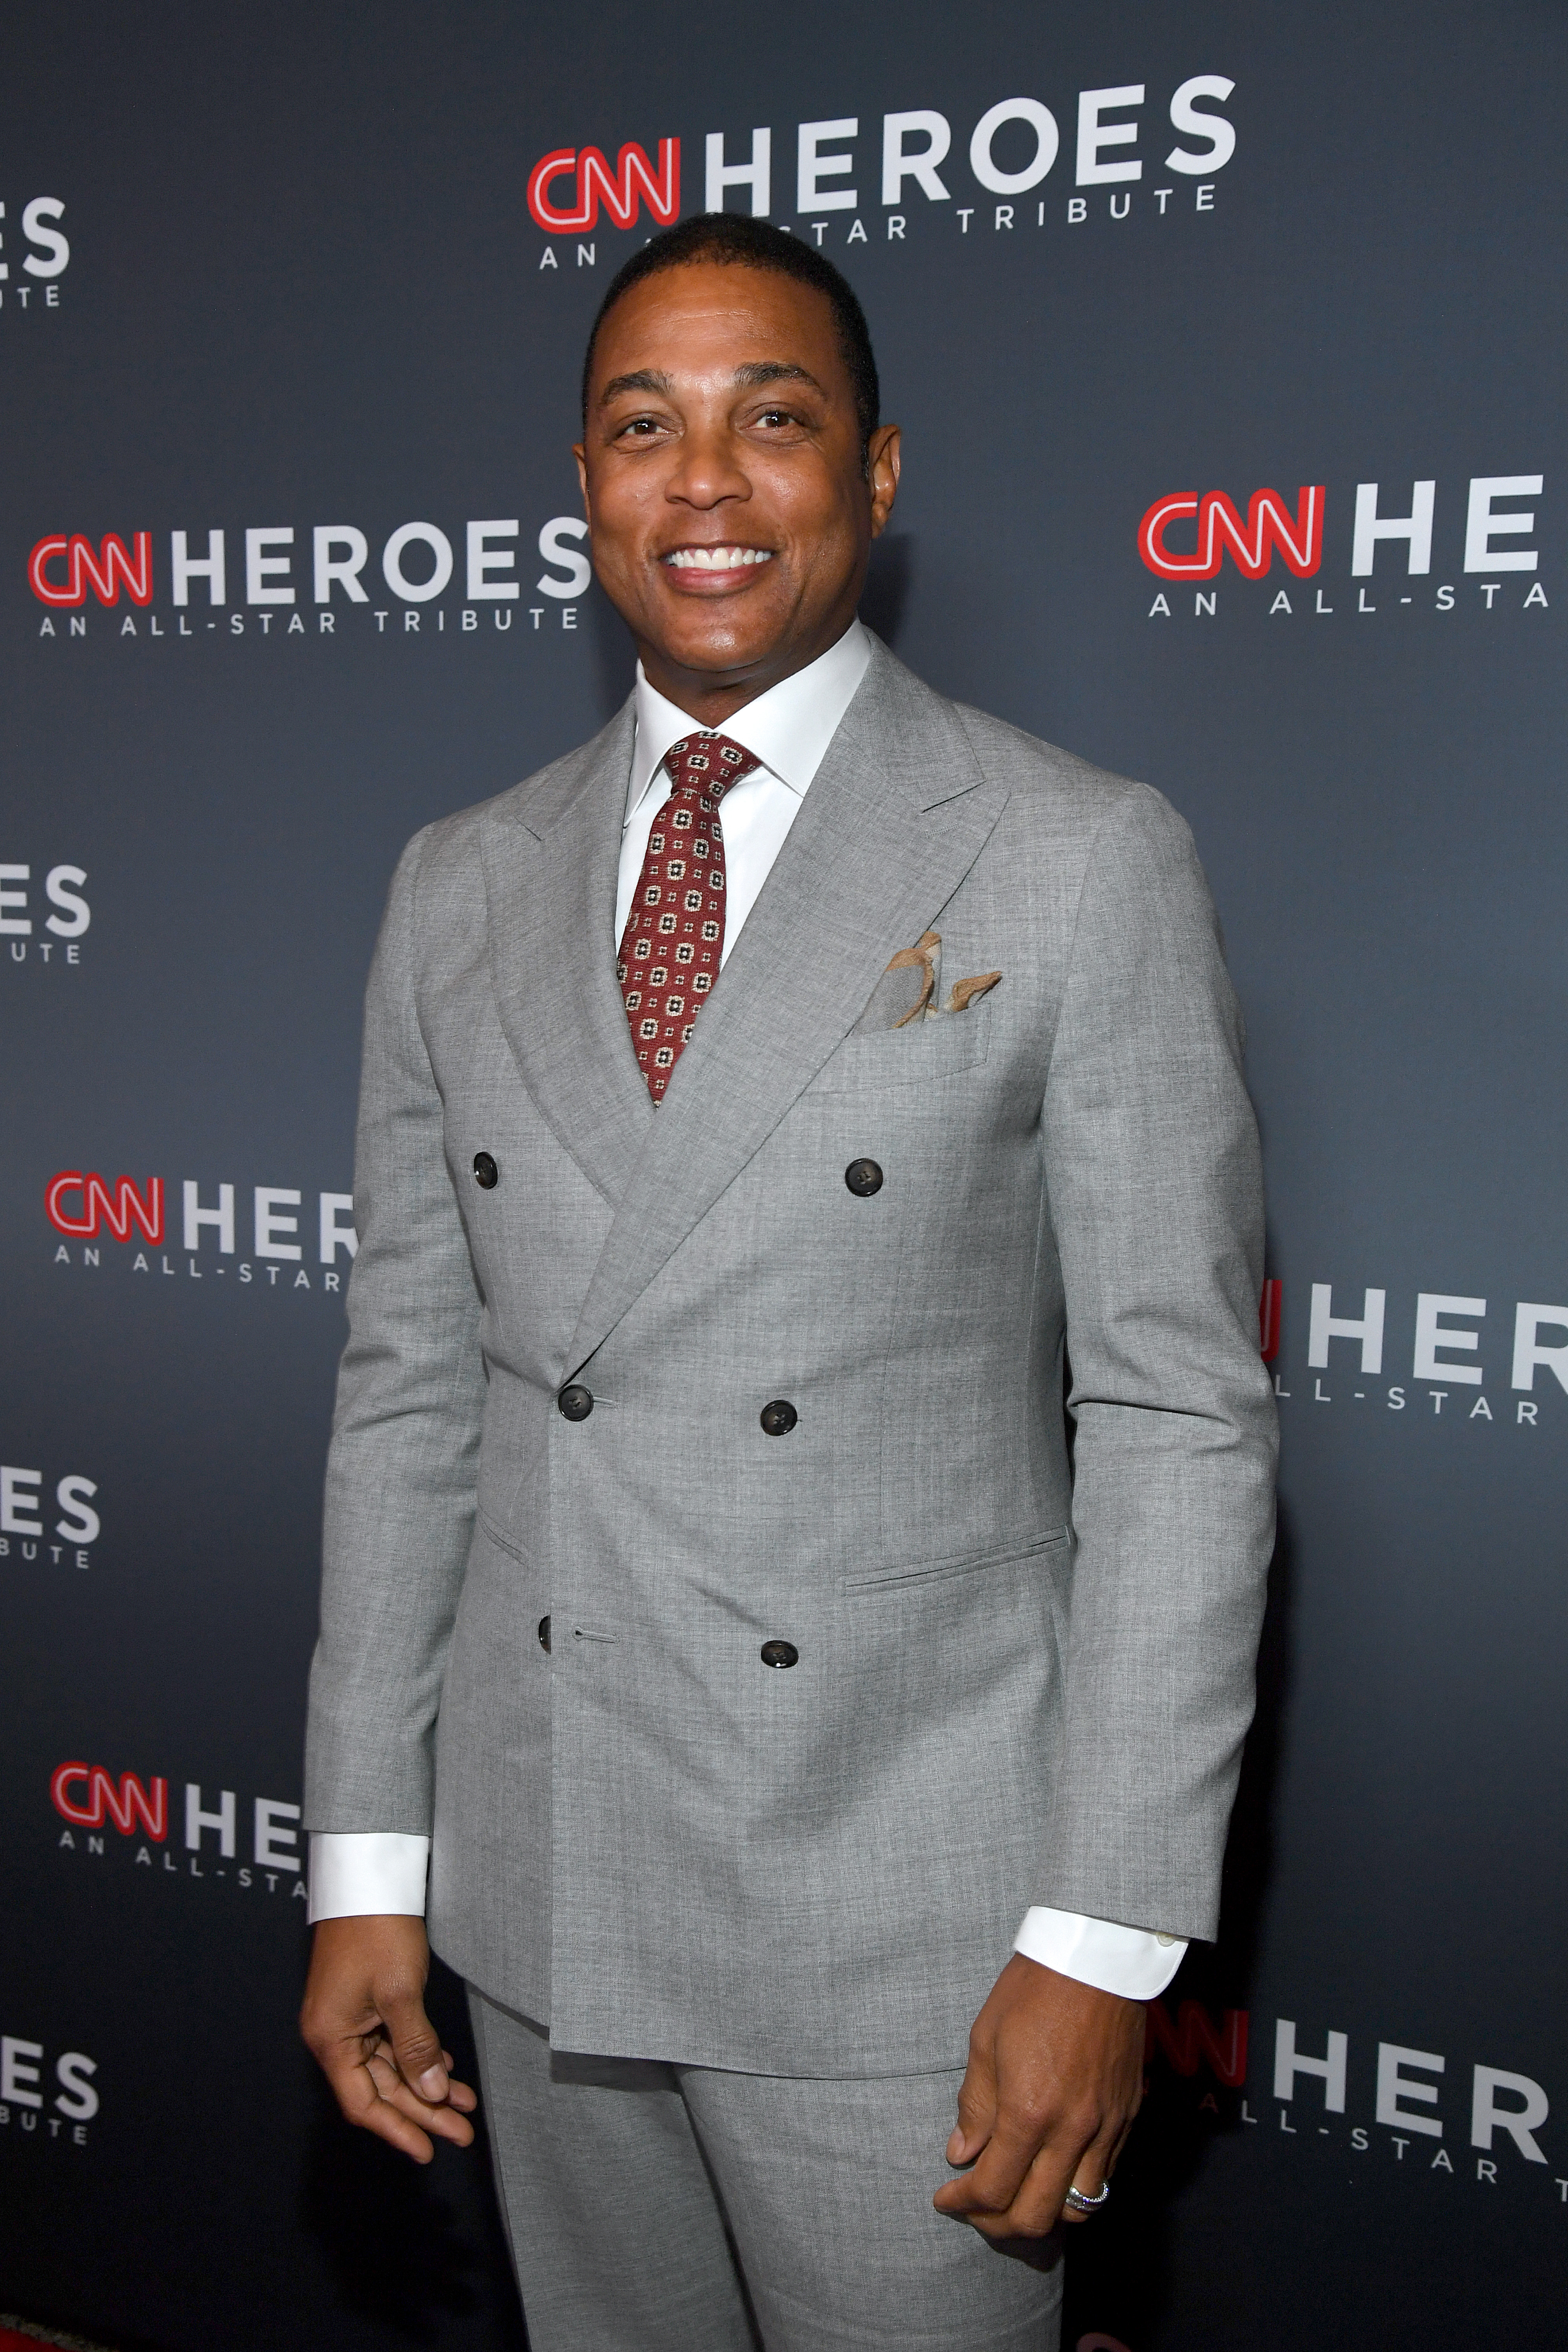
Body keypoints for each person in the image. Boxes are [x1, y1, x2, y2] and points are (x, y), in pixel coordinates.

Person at [299, 214, 1276, 2352]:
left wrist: (1103, 1939)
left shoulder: (1075, 855)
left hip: (908, 1929)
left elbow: (1180, 1422)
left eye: (774, 420)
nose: (706, 483)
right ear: (584, 483)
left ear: (881, 472)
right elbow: (408, 1400)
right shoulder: (456, 881)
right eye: (645, 427)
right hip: (546, 1902)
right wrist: (374, 1864)